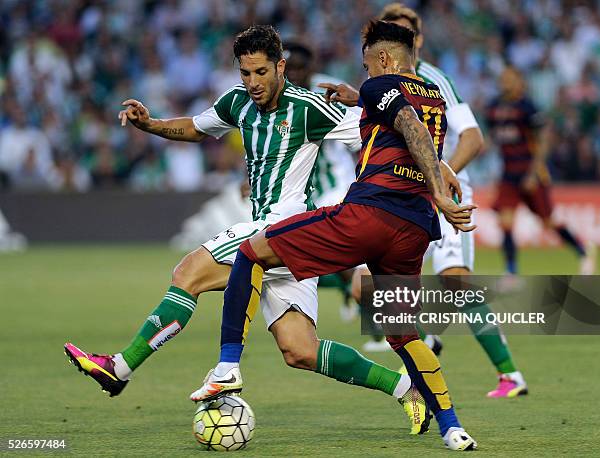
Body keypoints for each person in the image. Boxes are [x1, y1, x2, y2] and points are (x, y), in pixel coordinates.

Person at [63, 25, 430, 433]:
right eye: (246, 73)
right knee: (300, 351)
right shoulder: (237, 103)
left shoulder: (309, 107)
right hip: (282, 243)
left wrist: (438, 171)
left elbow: (380, 127)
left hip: (282, 227)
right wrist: (150, 124)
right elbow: (196, 129)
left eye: (261, 72)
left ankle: (120, 367)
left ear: (281, 67)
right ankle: (406, 387)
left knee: (189, 273)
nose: (253, 82)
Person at [193, 21, 477, 451]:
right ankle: (452, 426)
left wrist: (440, 190)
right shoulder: (431, 96)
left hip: (371, 214)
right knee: (405, 335)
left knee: (252, 252)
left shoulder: (380, 86)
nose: (364, 76)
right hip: (414, 229)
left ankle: (228, 365)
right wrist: (438, 183)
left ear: (383, 60)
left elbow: (408, 128)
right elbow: (412, 133)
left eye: (366, 68)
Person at [321, 3, 529, 398]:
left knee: (455, 282)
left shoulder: (434, 79)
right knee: (376, 286)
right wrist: (354, 98)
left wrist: (439, 173)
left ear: (416, 41)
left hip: (441, 190)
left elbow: (473, 137)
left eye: (402, 34)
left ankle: (509, 374)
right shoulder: (384, 80)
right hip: (406, 195)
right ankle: (425, 347)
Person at [486, 66, 596, 276]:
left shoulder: (527, 107)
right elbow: (495, 138)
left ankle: (583, 251)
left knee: (548, 222)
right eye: (503, 78)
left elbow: (543, 141)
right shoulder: (493, 107)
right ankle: (511, 272)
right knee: (505, 222)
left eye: (509, 78)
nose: (505, 82)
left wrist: (533, 172)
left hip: (531, 173)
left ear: (519, 81)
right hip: (508, 175)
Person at [284, 41, 360, 325]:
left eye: (299, 69)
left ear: (311, 68)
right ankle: (350, 292)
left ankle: (388, 327)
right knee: (300, 258)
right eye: (288, 69)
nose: (293, 75)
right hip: (303, 192)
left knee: (346, 258)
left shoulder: (328, 92)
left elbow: (361, 130)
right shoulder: (277, 96)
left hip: (337, 185)